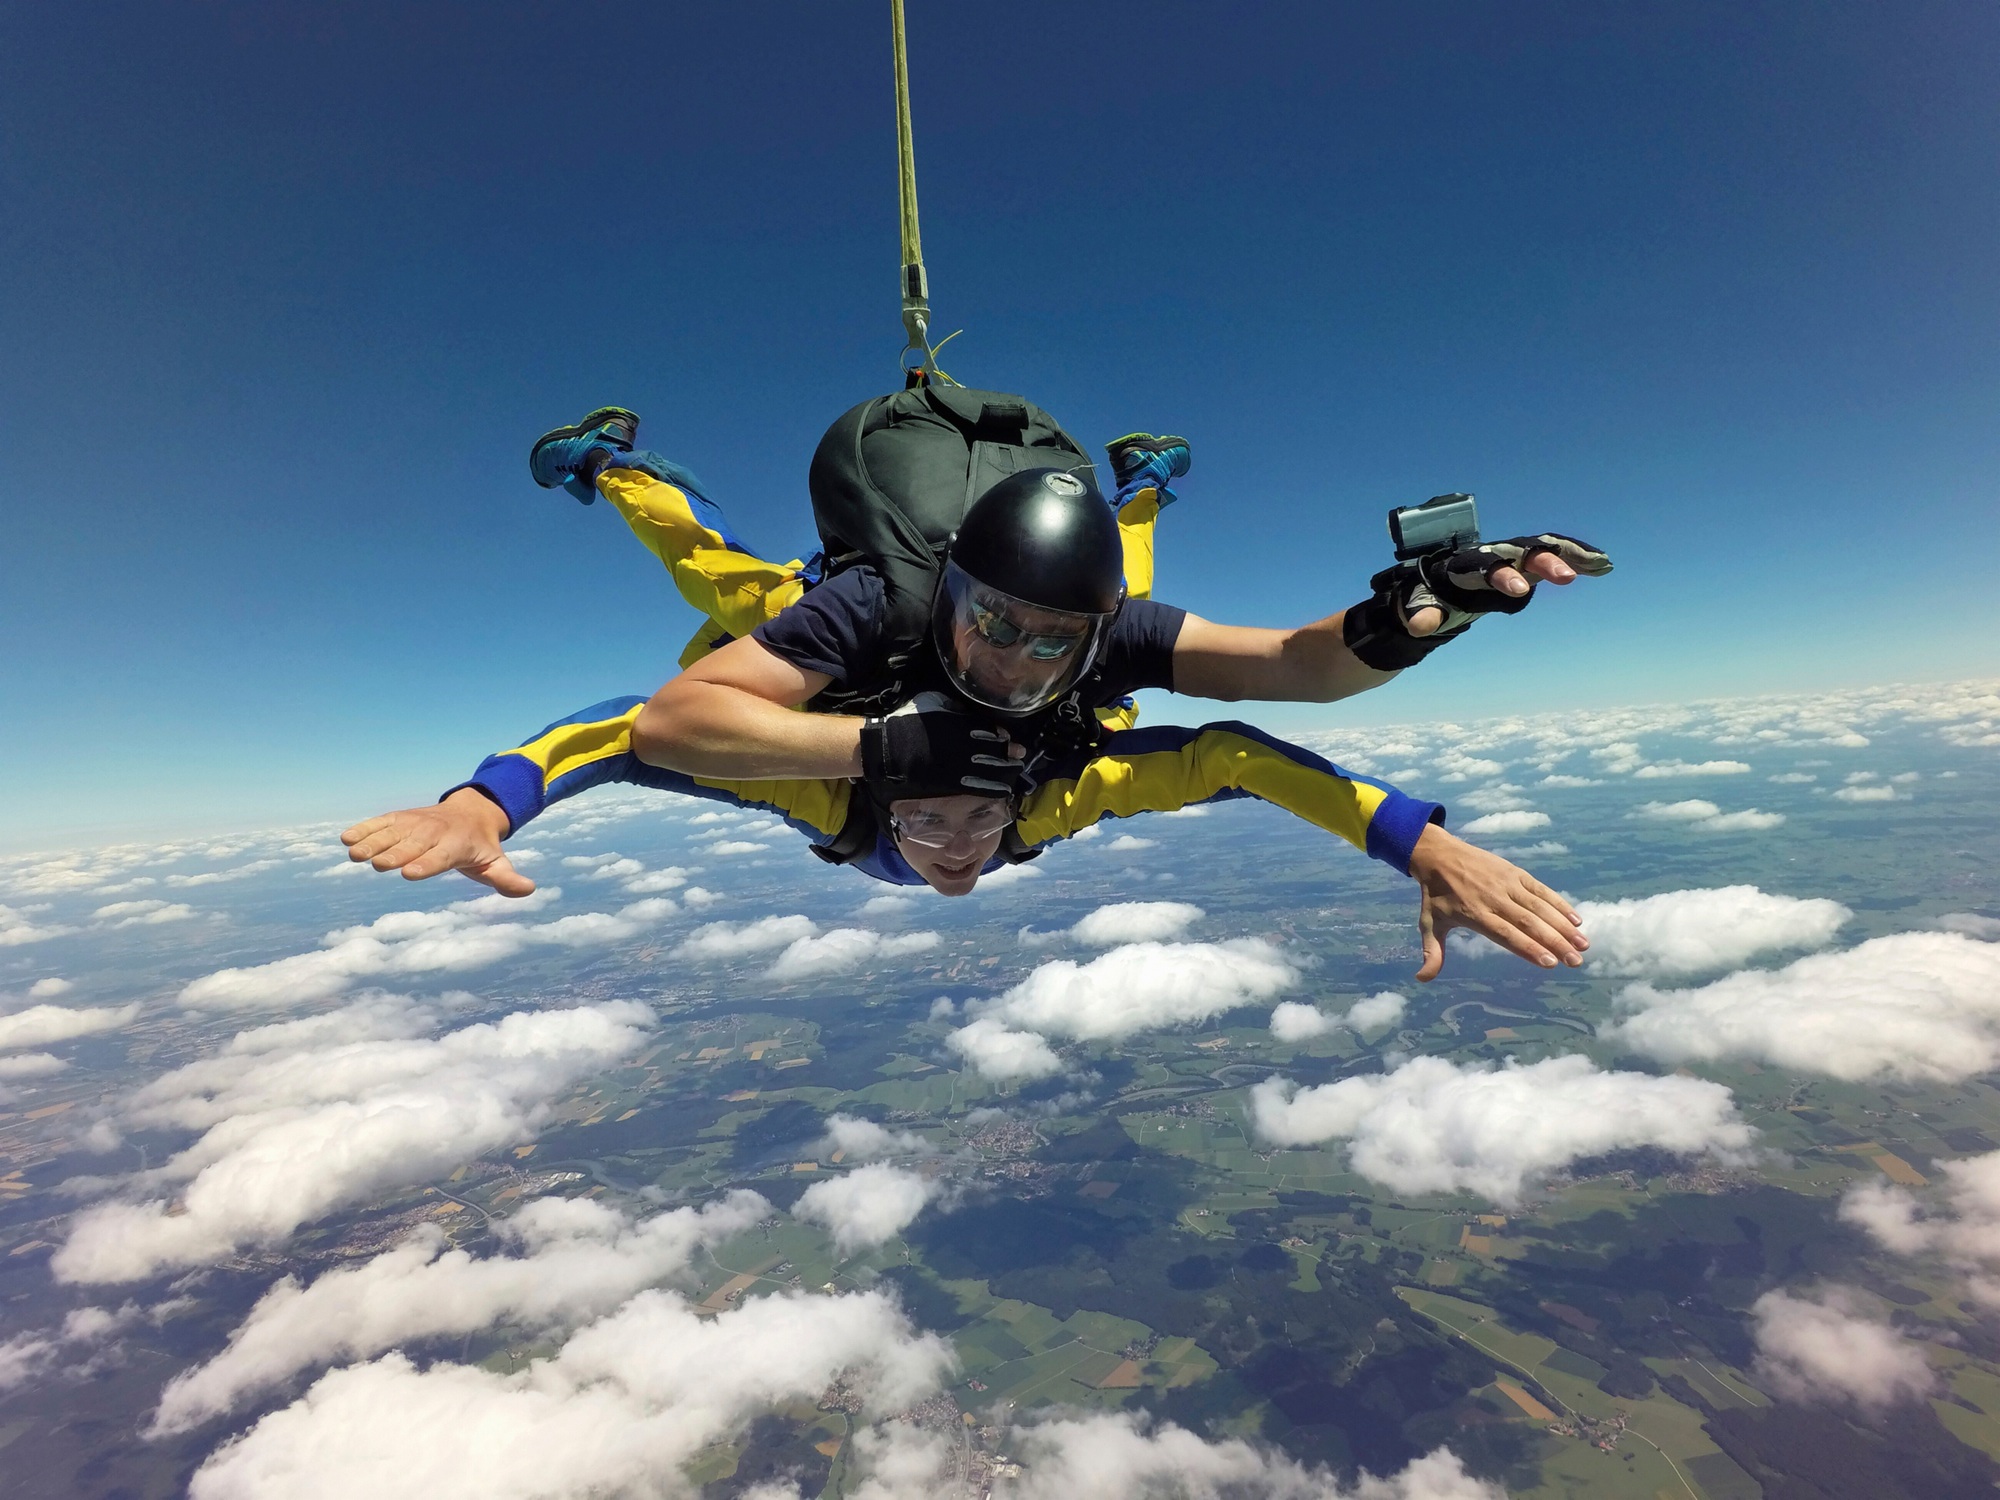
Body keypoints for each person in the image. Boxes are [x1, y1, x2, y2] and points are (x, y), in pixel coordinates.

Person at [520, 404, 1611, 804]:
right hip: (863, 633)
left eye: (1056, 644)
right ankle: (612, 465)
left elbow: (1292, 664)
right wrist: (885, 748)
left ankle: (1140, 480)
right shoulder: (878, 606)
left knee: (1115, 577)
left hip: (1061, 595)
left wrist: (1411, 614)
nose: (1018, 661)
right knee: (714, 569)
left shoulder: (1102, 627)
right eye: (994, 625)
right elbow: (671, 722)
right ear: (952, 598)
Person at [342, 695, 1586, 980]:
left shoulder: (1050, 795)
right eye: (927, 822)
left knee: (1101, 687)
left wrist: (1414, 841)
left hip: (1031, 709)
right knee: (735, 592)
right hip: (841, 718)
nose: (949, 849)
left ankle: (1139, 488)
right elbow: (625, 738)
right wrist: (483, 805)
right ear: (882, 800)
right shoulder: (823, 788)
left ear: (1015, 805)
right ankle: (612, 467)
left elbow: (1230, 754)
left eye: (971, 822)